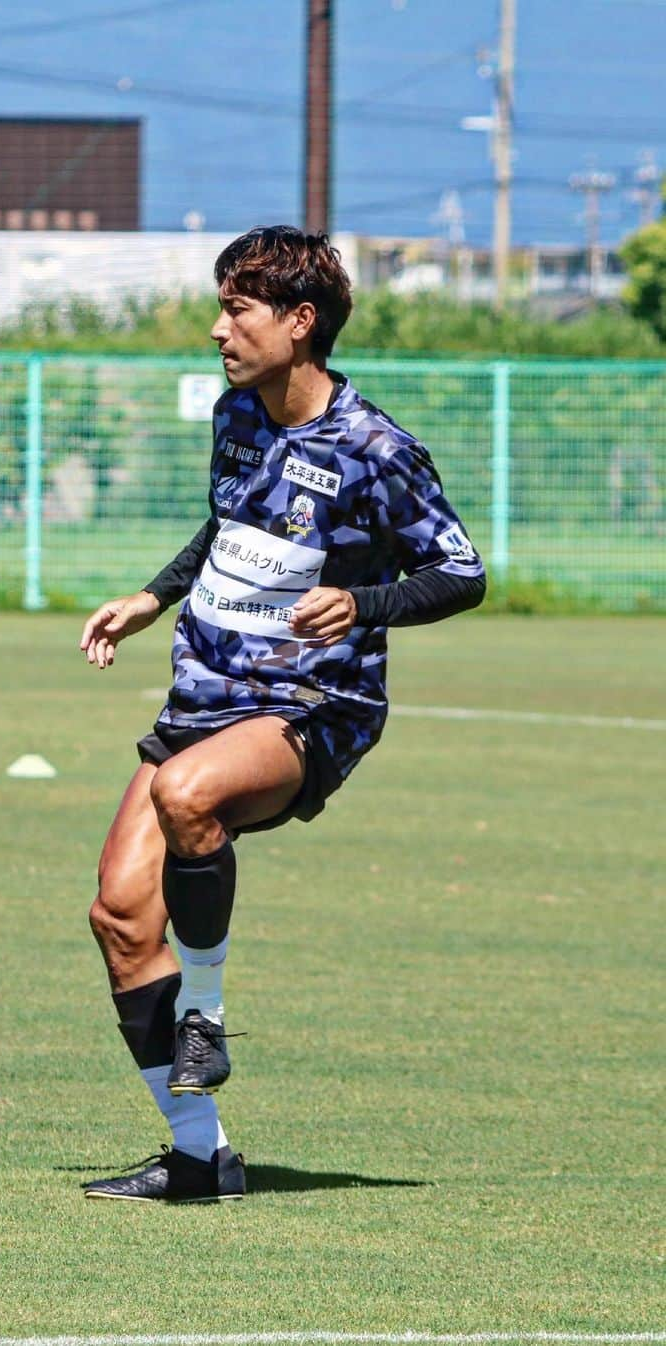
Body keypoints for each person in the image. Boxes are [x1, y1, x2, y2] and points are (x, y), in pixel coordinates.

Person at [79, 225, 486, 1204]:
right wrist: (152, 596)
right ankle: (198, 1155)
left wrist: (368, 601)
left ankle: (205, 1015)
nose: (219, 328)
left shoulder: (375, 450)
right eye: (221, 307)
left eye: (238, 309)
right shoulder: (236, 414)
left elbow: (462, 571)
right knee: (121, 917)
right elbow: (230, 523)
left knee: (185, 796)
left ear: (300, 323)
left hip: (313, 704)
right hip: (204, 693)